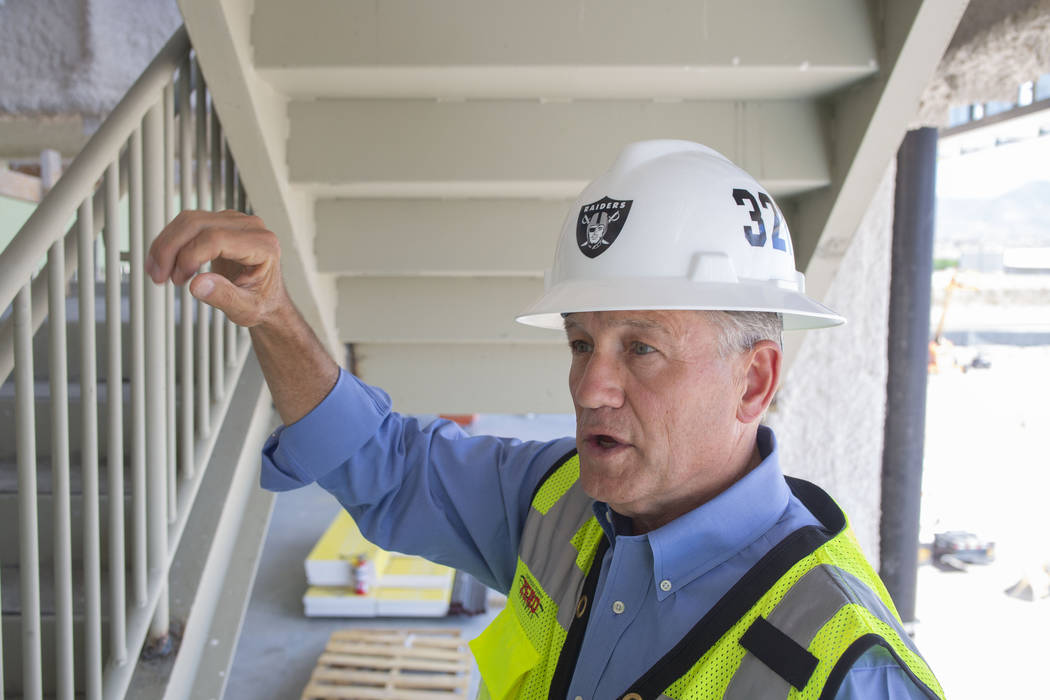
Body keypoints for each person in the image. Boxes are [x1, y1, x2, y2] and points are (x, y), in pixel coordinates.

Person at [147, 140, 944, 699]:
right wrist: (274, 315)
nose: (589, 385)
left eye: (640, 348)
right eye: (580, 341)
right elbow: (384, 465)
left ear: (754, 380)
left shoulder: (844, 669)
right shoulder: (559, 503)